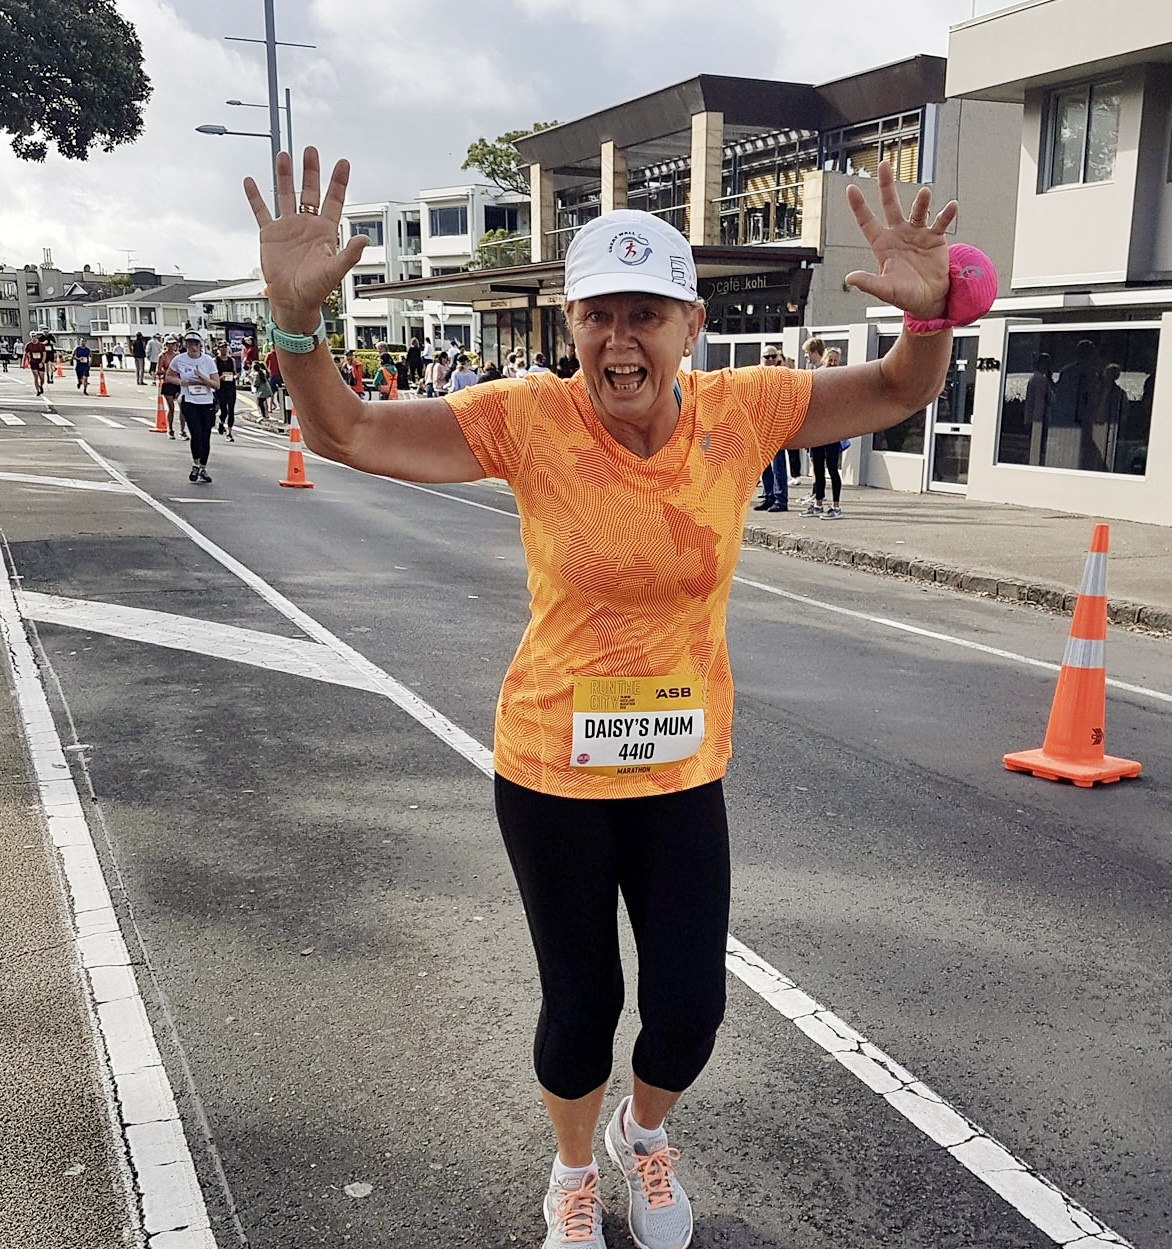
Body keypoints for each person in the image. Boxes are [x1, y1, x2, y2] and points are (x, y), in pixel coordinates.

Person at [246, 148, 965, 1249]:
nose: (618, 341)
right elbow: (341, 430)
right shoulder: (525, 418)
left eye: (644, 314)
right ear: (570, 325)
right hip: (552, 769)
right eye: (597, 316)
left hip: (680, 768)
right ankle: (572, 1169)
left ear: (688, 326)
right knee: (580, 1005)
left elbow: (897, 390)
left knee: (688, 1007)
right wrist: (296, 325)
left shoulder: (745, 410)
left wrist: (927, 324)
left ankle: (644, 1133)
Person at [166, 331, 219, 483]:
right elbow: (169, 377)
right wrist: (183, 382)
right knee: (195, 433)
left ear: (200, 345)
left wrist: (203, 379)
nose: (193, 347)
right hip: (189, 400)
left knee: (205, 435)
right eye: (189, 343)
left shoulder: (208, 360)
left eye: (195, 344)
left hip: (207, 401)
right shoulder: (179, 359)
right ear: (185, 345)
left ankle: (203, 466)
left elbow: (217, 384)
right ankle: (195, 464)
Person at [804, 346, 845, 518]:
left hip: (833, 432)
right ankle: (818, 503)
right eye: (830, 359)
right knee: (818, 467)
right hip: (817, 431)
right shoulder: (816, 377)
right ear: (824, 360)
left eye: (836, 360)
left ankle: (836, 506)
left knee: (833, 469)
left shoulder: (843, 378)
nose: (833, 363)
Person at [753, 345, 789, 512]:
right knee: (764, 463)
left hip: (777, 424)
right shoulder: (758, 376)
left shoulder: (782, 376)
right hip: (762, 424)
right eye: (767, 357)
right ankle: (769, 496)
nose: (770, 360)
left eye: (773, 357)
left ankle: (781, 499)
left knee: (778, 463)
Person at [158, 337, 185, 439]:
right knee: (171, 408)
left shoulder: (178, 356)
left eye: (173, 344)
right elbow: (158, 371)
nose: (172, 346)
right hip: (168, 383)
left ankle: (182, 430)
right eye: (169, 344)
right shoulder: (162, 356)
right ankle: (170, 429)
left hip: (178, 383)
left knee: (182, 407)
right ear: (166, 345)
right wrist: (167, 372)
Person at [214, 342, 238, 440]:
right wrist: (220, 378)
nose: (224, 349)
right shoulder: (215, 360)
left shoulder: (231, 360)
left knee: (231, 410)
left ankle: (229, 432)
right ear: (218, 349)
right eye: (221, 348)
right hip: (221, 387)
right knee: (223, 409)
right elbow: (213, 375)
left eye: (225, 347)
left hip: (231, 386)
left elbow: (235, 372)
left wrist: (235, 376)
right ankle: (221, 423)